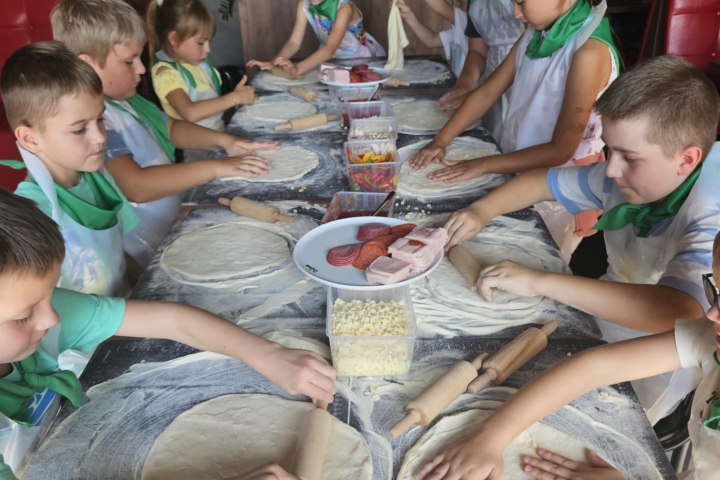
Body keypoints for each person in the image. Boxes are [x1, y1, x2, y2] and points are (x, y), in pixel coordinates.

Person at [443, 55, 720, 423]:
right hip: (604, 312)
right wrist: (481, 211)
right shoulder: (638, 170)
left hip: (666, 355)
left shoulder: (710, 210)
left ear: (687, 160)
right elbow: (542, 182)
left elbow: (678, 312)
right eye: (608, 149)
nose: (611, 168)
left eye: (628, 157)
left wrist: (538, 281)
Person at [0, 188, 335, 480]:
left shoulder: (45, 315)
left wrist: (268, 355)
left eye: (50, 296)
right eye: (24, 315)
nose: (51, 317)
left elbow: (172, 320)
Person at [414, 231, 720, 480]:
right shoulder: (709, 338)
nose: (711, 313)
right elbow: (594, 367)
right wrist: (489, 438)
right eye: (716, 291)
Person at [52, 0, 278, 269]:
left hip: (170, 224)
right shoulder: (95, 121)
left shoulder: (130, 102)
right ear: (87, 65)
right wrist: (216, 167)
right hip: (140, 248)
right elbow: (136, 186)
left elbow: (172, 128)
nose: (141, 69)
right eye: (129, 61)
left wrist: (227, 141)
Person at [412, 0, 619, 258]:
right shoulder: (535, 34)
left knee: (537, 260)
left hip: (561, 189)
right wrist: (441, 141)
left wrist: (482, 165)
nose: (516, 13)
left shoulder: (588, 51)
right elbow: (487, 92)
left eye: (521, 2)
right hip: (519, 169)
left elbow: (560, 150)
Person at [0, 42, 138, 298]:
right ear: (30, 139)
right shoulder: (31, 214)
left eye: (100, 119)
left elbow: (117, 258)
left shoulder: (100, 179)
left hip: (126, 310)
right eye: (79, 129)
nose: (100, 137)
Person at [147, 0, 257, 133]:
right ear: (174, 39)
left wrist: (234, 103)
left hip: (219, 134)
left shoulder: (201, 66)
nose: (208, 49)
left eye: (209, 42)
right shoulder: (166, 73)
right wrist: (234, 97)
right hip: (195, 145)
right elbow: (190, 112)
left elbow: (213, 112)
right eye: (200, 43)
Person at [246, 0, 385, 78]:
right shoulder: (304, 4)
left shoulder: (344, 8)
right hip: (331, 62)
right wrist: (274, 62)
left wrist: (297, 69)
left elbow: (330, 49)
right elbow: (294, 42)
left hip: (360, 62)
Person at [394, 0, 468, 79]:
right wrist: (409, 16)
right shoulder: (463, 30)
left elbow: (441, 7)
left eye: (465, 3)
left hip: (470, 86)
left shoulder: (467, 21)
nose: (461, 6)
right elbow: (432, 40)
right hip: (459, 84)